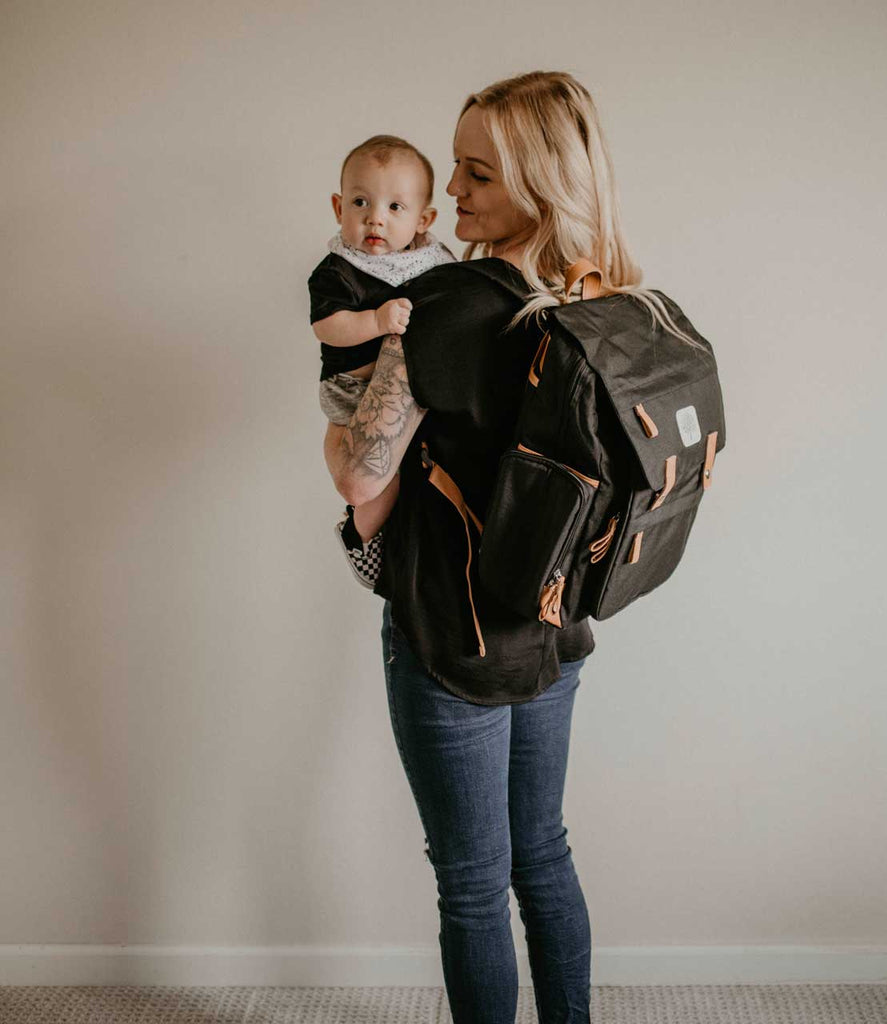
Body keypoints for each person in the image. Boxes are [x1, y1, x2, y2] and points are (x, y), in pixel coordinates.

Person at [323, 70, 693, 1024]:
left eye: (477, 173)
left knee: (475, 886)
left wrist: (336, 431)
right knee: (543, 853)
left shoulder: (447, 299)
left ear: (537, 183)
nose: (452, 193)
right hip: (555, 625)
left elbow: (364, 476)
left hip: (454, 635)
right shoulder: (611, 298)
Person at [308, 134, 455, 587]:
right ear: (338, 208)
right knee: (382, 480)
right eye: (360, 202)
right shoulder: (337, 270)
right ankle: (362, 538)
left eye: (395, 207)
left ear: (424, 219)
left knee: (415, 469)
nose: (375, 217)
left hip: (413, 398)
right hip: (351, 390)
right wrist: (375, 321)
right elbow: (327, 326)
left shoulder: (433, 265)